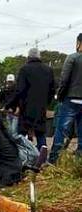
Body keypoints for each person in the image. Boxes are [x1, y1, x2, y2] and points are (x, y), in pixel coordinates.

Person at [7, 48, 55, 150]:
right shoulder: (48, 70)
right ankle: (42, 150)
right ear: (39, 57)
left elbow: (19, 90)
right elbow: (52, 90)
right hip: (41, 107)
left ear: (28, 57)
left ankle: (20, 153)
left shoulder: (24, 69)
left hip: (26, 107)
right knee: (40, 132)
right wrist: (47, 103)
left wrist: (11, 105)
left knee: (21, 133)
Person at [49, 34, 82, 164]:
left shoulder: (72, 58)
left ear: (79, 43)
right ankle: (79, 162)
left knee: (61, 130)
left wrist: (60, 96)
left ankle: (54, 161)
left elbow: (64, 80)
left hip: (71, 99)